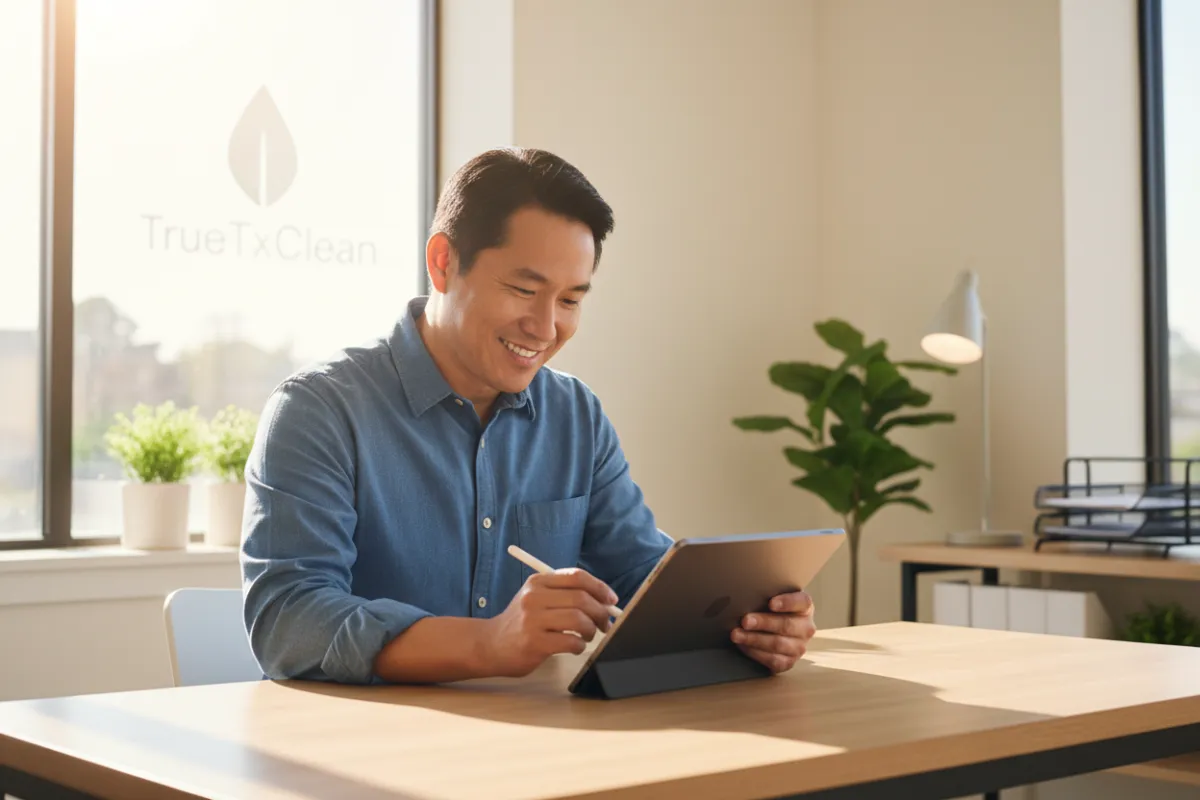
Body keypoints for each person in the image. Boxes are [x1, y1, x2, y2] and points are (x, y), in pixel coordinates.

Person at [240, 147, 816, 685]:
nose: (545, 329)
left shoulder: (575, 416)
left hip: (540, 752)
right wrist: (487, 644)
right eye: (523, 289)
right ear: (443, 263)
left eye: (570, 300)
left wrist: (749, 625)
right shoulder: (318, 411)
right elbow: (289, 619)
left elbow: (644, 577)